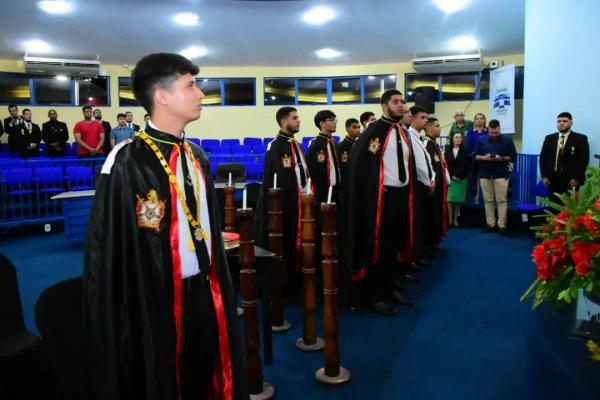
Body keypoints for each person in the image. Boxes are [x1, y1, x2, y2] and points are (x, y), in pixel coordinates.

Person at [83, 53, 247, 400]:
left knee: (204, 372)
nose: (201, 93)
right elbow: (108, 248)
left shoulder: (196, 156)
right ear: (162, 96)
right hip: (155, 300)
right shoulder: (126, 160)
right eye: (190, 85)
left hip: (205, 289)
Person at [346, 89, 415, 316]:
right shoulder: (373, 132)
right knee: (380, 248)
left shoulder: (402, 132)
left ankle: (390, 287)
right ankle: (375, 296)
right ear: (385, 106)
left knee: (395, 245)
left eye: (403, 101)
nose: (401, 105)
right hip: (381, 199)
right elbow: (361, 167)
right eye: (396, 102)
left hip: (402, 196)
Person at [253, 107, 309, 290]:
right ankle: (284, 283)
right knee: (284, 243)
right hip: (284, 205)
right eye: (295, 118)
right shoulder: (276, 146)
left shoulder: (296, 144)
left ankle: (296, 277)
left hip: (299, 202)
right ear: (284, 122)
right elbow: (274, 179)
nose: (298, 121)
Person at [474, 119, 517, 235]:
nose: (494, 135)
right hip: (485, 173)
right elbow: (476, 156)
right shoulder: (481, 139)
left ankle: (502, 225)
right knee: (487, 200)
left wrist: (501, 158)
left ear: (499, 129)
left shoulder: (507, 140)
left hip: (501, 173)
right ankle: (490, 224)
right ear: (488, 130)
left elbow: (513, 157)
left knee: (502, 200)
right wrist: (484, 158)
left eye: (496, 133)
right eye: (492, 133)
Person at [539, 112, 590, 203]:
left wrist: (577, 178)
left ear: (571, 123)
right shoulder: (549, 138)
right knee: (554, 208)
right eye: (559, 121)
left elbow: (584, 160)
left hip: (571, 181)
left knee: (568, 211)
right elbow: (543, 158)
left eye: (565, 121)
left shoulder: (580, 139)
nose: (561, 123)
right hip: (552, 180)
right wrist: (544, 176)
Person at [408, 106, 436, 266]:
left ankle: (422, 251)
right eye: (423, 117)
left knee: (423, 220)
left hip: (425, 184)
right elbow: (418, 164)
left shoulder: (419, 137)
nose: (426, 120)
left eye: (426, 117)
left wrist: (432, 178)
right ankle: (416, 255)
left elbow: (427, 163)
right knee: (417, 222)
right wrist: (428, 181)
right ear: (413, 119)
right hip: (419, 185)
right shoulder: (410, 136)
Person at [423, 117, 449, 246]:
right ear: (428, 128)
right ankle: (430, 242)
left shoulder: (434, 144)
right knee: (432, 215)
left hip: (439, 187)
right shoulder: (427, 144)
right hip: (433, 188)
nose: (440, 128)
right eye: (437, 126)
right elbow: (429, 167)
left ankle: (435, 239)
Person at [306, 110, 341, 205]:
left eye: (335, 120)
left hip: (336, 190)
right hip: (323, 193)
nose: (334, 123)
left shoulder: (334, 143)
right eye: (331, 120)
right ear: (322, 123)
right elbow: (314, 171)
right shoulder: (316, 145)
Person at [444, 132, 469, 226]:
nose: (458, 139)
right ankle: (449, 220)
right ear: (452, 139)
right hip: (450, 178)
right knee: (450, 200)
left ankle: (455, 220)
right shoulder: (447, 149)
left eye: (460, 137)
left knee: (458, 201)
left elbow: (465, 164)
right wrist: (452, 175)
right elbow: (447, 164)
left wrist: (457, 175)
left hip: (461, 178)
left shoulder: (465, 150)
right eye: (456, 137)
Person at [465, 112, 488, 202]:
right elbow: (468, 144)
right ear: (474, 120)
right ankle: (473, 196)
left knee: (483, 178)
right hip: (472, 158)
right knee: (473, 177)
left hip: (485, 158)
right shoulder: (470, 131)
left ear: (484, 120)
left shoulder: (487, 131)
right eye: (477, 118)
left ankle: (482, 196)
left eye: (481, 118)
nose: (479, 120)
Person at [336, 118, 360, 186]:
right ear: (347, 129)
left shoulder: (359, 144)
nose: (358, 130)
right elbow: (343, 166)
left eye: (359, 127)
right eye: (354, 127)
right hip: (347, 182)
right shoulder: (342, 146)